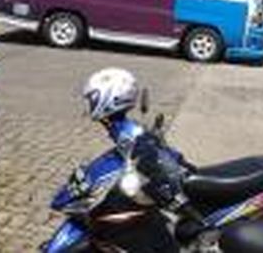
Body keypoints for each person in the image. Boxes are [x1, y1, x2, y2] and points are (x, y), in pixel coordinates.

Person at [82, 69, 204, 236]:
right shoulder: (122, 128)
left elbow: (153, 167)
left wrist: (172, 198)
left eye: (92, 98)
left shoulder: (127, 133)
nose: (89, 103)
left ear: (110, 98)